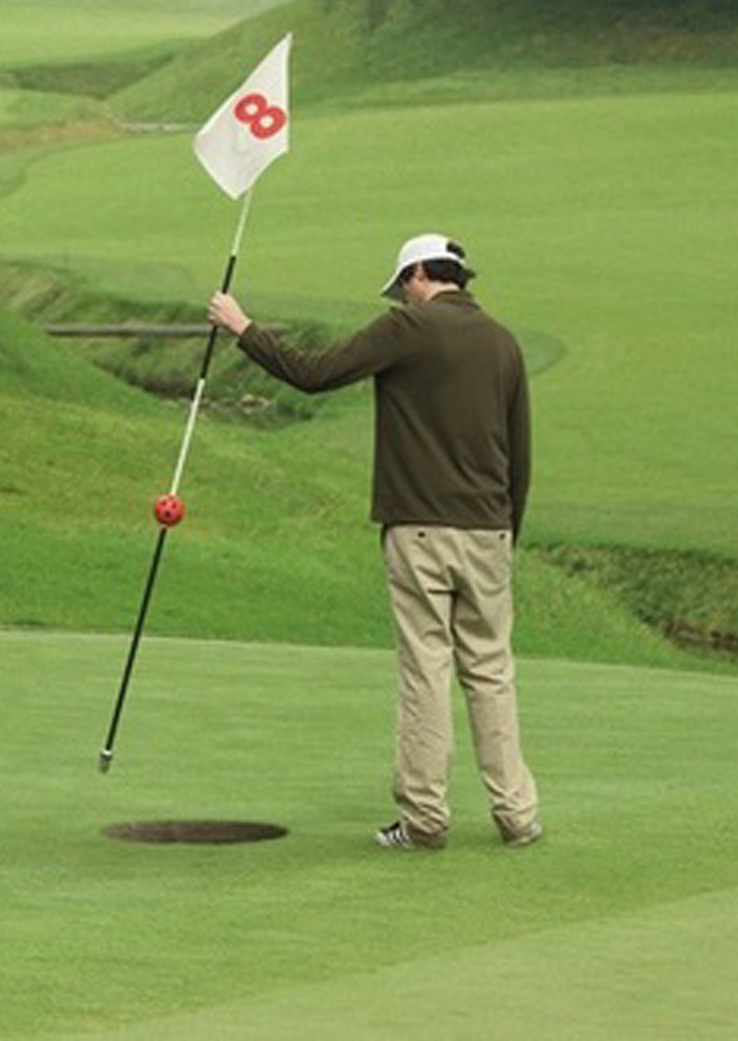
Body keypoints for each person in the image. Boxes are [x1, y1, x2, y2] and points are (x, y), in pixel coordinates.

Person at [210, 233, 542, 853]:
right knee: (492, 672)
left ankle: (424, 821)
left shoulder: (407, 330)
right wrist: (506, 533)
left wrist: (242, 327)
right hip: (490, 530)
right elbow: (520, 452)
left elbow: (314, 374)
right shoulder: (503, 341)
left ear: (420, 273)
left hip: (420, 527)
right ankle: (517, 815)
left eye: (404, 285)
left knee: (426, 670)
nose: (403, 297)